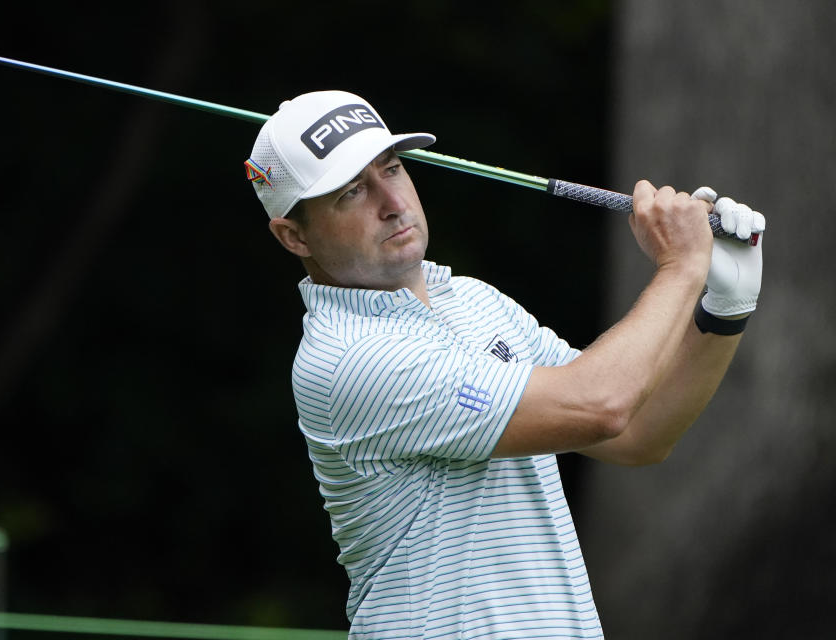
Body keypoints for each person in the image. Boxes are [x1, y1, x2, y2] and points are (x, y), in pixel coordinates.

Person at [244, 90, 765, 639]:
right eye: (351, 192)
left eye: (392, 169)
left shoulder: (473, 300)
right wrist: (681, 268)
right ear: (293, 235)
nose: (391, 201)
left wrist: (723, 311)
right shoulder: (349, 357)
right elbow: (600, 406)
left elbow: (639, 433)